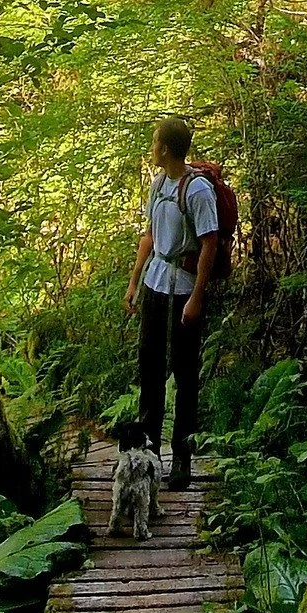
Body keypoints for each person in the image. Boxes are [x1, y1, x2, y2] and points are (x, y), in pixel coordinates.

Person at [124, 117, 219, 488]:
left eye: (154, 141)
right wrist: (134, 281)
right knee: (150, 368)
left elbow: (210, 243)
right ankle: (147, 457)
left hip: (184, 290)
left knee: (184, 374)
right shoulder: (159, 185)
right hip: (156, 284)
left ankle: (182, 459)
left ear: (165, 147)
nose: (151, 147)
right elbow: (149, 235)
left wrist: (197, 297)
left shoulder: (197, 191)